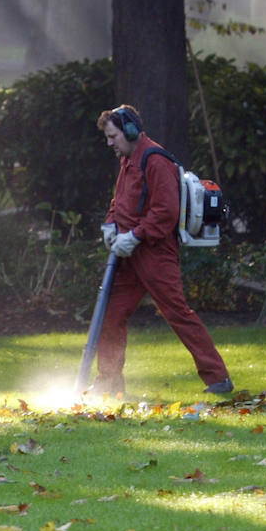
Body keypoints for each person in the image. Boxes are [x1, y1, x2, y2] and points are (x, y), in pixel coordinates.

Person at [91, 105, 234, 397]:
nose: (109, 143)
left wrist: (135, 235)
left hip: (155, 252)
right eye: (107, 137)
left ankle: (218, 378)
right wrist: (110, 225)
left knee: (177, 313)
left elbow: (166, 212)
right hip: (128, 254)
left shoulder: (155, 160)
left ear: (130, 131)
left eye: (113, 136)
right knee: (111, 315)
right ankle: (108, 383)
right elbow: (119, 201)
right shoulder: (128, 159)